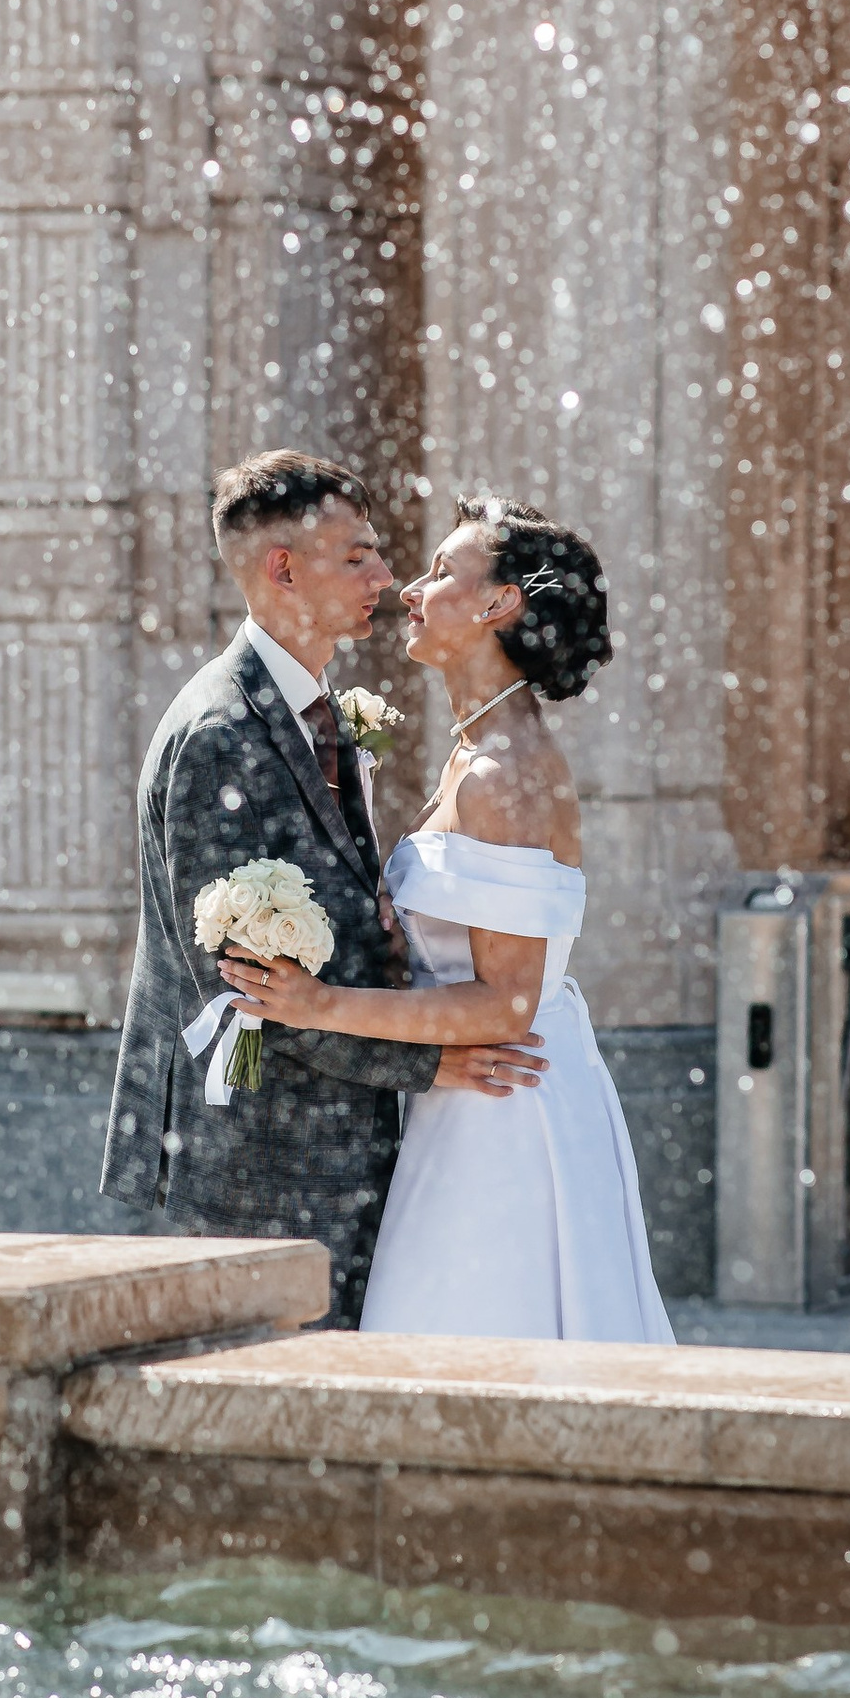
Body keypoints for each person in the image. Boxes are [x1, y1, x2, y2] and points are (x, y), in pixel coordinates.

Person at [101, 451, 541, 1328]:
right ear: (282, 568)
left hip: (331, 1151)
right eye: (359, 557)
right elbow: (237, 993)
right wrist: (422, 1061)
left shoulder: (318, 712)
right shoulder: (221, 732)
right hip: (257, 1163)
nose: (386, 576)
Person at [222, 498, 673, 1341]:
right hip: (466, 1094)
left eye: (441, 574)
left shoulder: (505, 774)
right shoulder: (476, 747)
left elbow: (508, 1005)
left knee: (481, 1342)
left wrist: (317, 1007)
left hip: (507, 1108)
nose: (409, 591)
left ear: (501, 604)